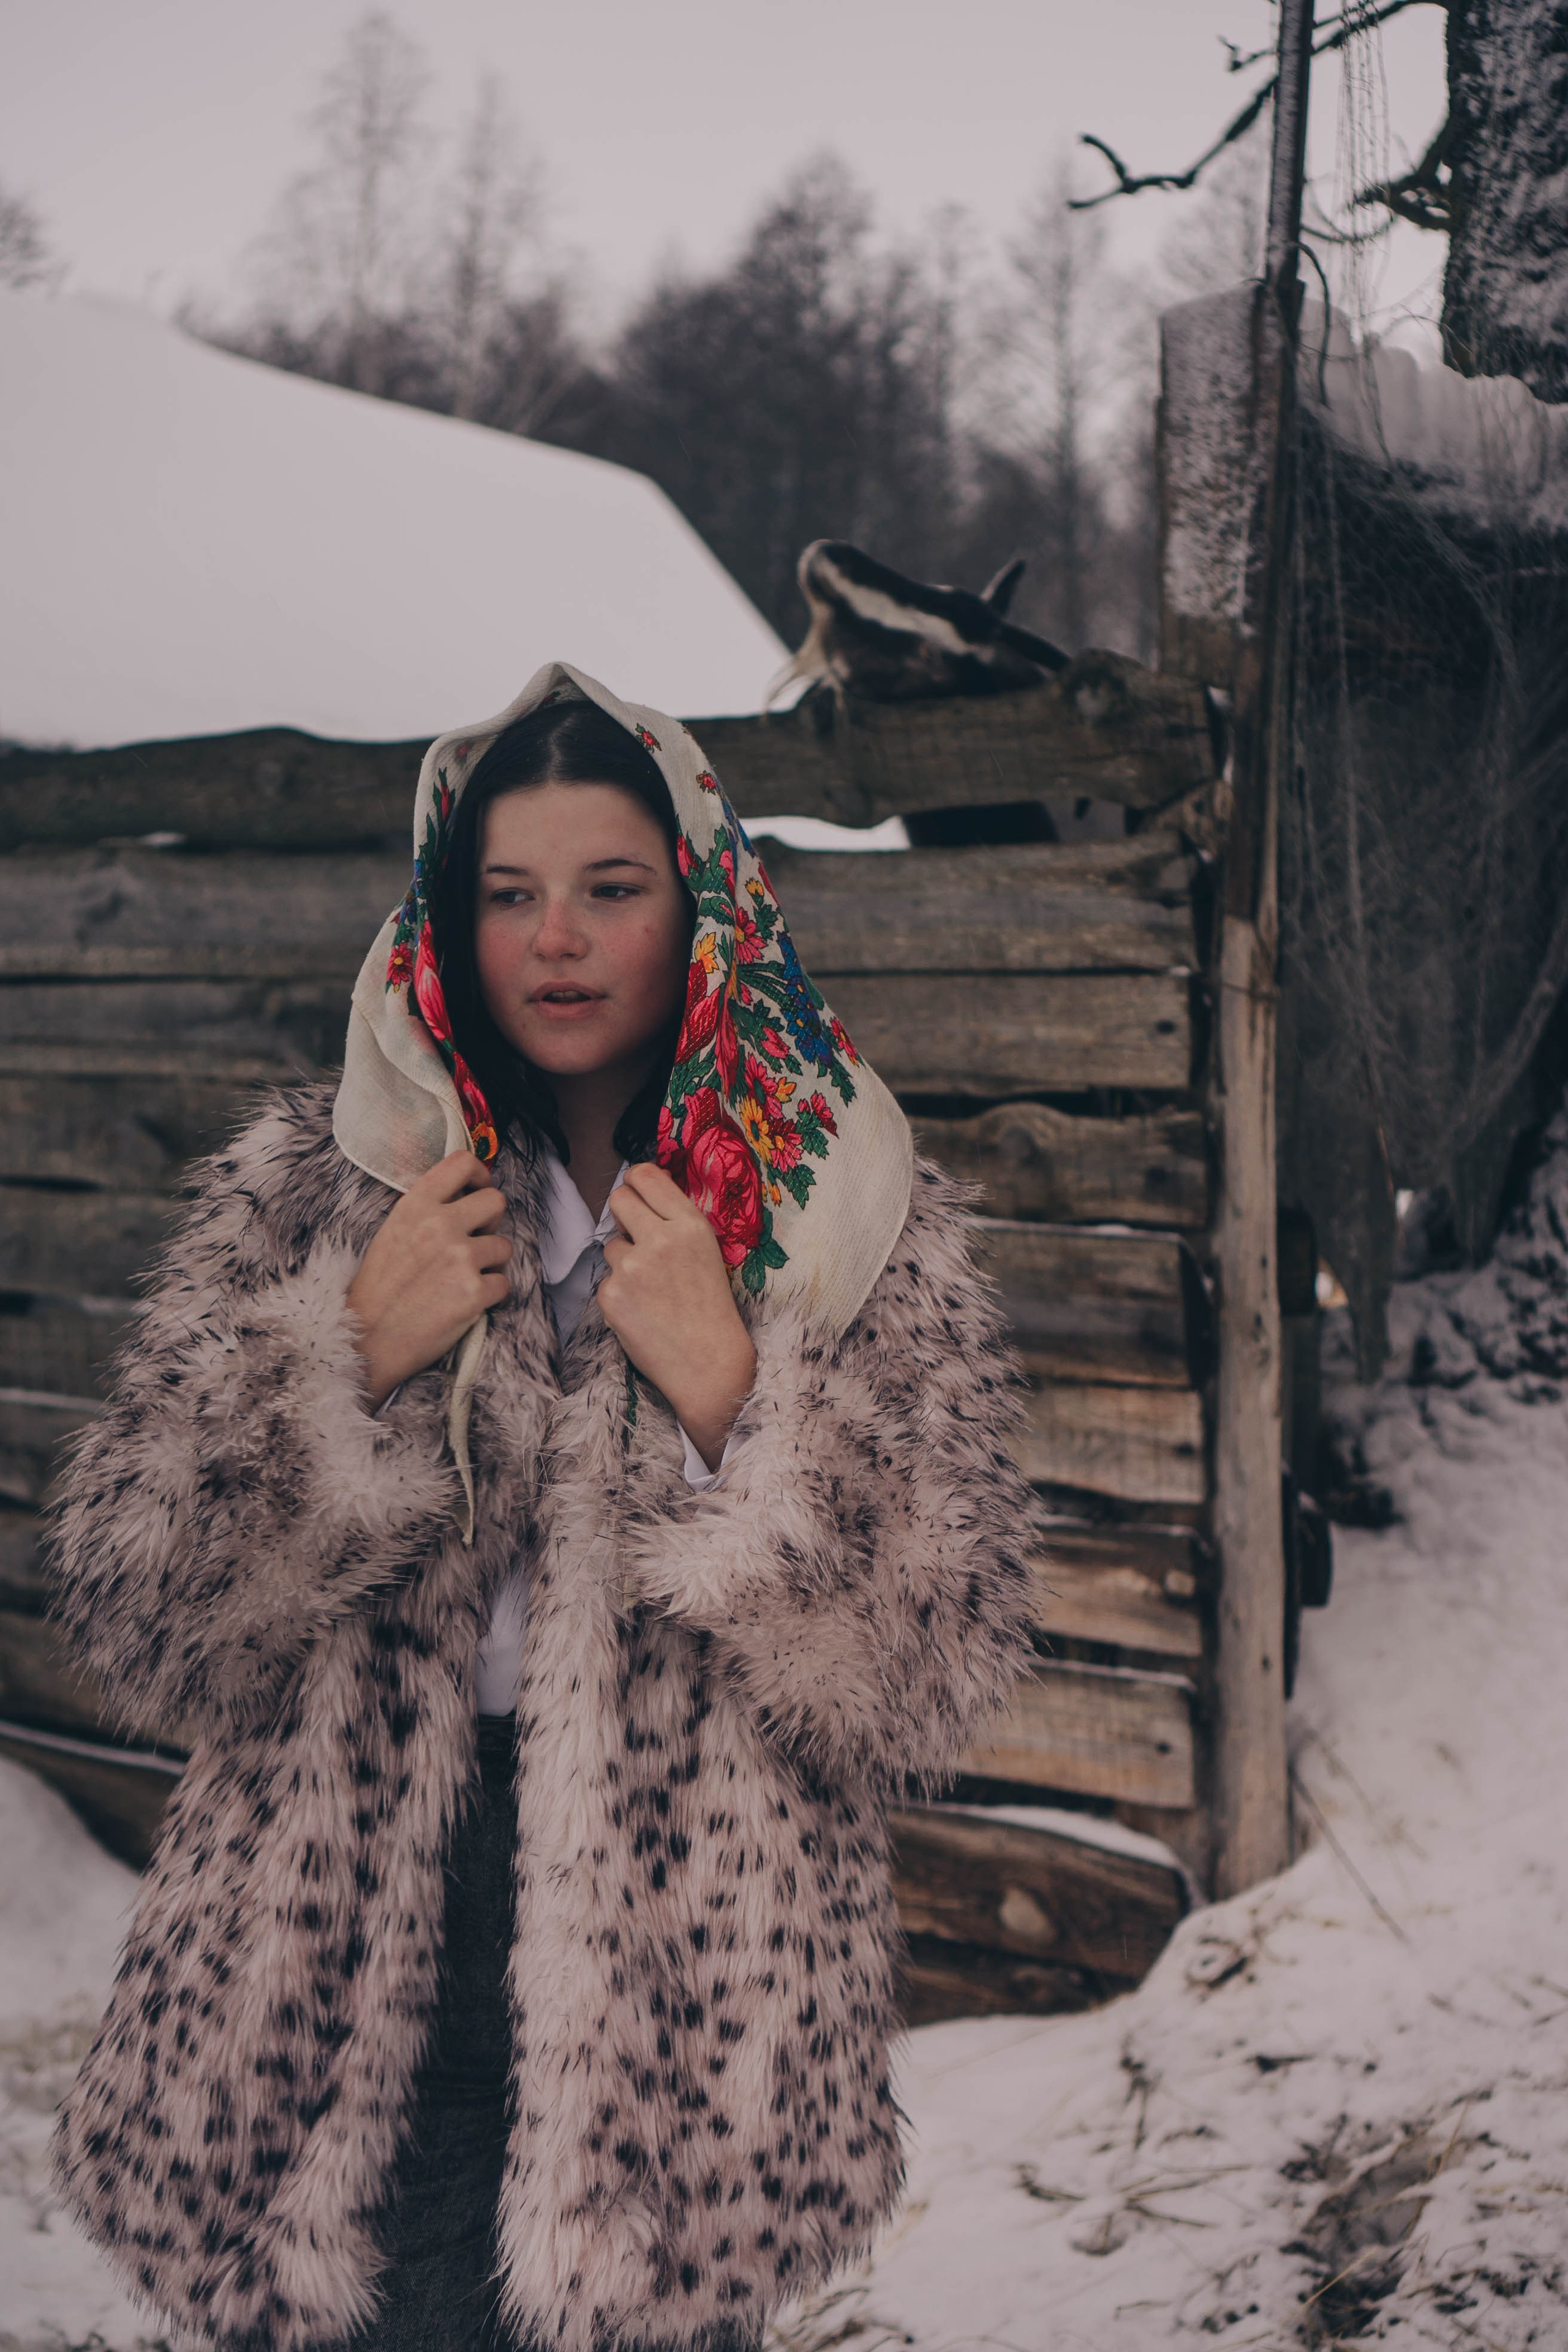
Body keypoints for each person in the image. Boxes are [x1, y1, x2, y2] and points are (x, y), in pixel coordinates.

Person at [45, 665, 1037, 2352]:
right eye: (507, 894)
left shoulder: (836, 1214)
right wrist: (350, 1356)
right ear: (445, 915)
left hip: (688, 1991)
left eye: (610, 889)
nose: (556, 940)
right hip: (340, 1940)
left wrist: (731, 1399)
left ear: (703, 908)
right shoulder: (327, 1186)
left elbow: (930, 1669)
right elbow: (139, 1606)